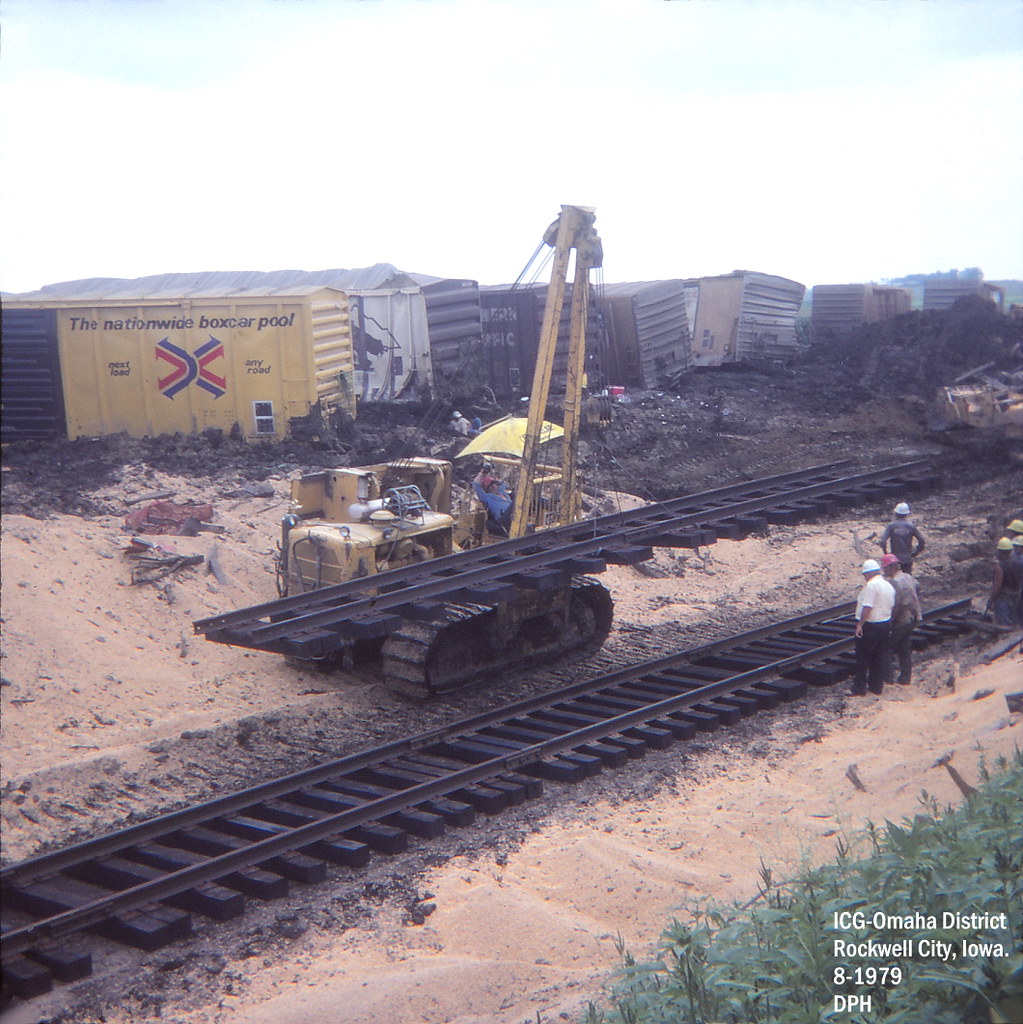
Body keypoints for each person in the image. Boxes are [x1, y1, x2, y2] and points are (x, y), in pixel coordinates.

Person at [851, 558, 896, 697]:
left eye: (864, 575)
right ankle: (876, 687)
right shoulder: (888, 585)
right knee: (878, 656)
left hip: (870, 626)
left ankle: (860, 688)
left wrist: (860, 625)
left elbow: (867, 607)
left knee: (863, 657)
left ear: (868, 574)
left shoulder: (871, 585)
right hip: (884, 623)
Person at [881, 553, 921, 686]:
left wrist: (890, 619)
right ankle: (905, 678)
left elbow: (896, 603)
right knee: (904, 648)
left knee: (885, 648)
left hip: (901, 620)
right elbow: (918, 587)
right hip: (912, 617)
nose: (884, 570)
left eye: (885, 568)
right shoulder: (908, 576)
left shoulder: (894, 582)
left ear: (892, 567)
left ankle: (888, 678)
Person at [984, 537, 1023, 628]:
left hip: (1003, 597)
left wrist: (991, 599)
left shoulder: (1000, 566)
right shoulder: (1019, 563)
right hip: (1016, 594)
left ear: (1000, 551)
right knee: (1014, 619)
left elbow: (997, 584)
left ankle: (1005, 636)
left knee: (1003, 623)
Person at [880, 502, 925, 573]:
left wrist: (887, 554)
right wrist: (916, 552)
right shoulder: (911, 526)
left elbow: (883, 542)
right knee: (907, 579)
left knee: (895, 578)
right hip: (907, 558)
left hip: (894, 558)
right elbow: (922, 541)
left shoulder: (891, 526)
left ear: (895, 513)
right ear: (907, 514)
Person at [473, 464, 513, 534]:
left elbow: (502, 483)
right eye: (493, 484)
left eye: (496, 484)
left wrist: (496, 480)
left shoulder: (502, 493)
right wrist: (482, 473)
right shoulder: (487, 497)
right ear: (489, 487)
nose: (496, 486)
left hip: (513, 514)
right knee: (516, 501)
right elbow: (476, 485)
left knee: (517, 496)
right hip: (503, 519)